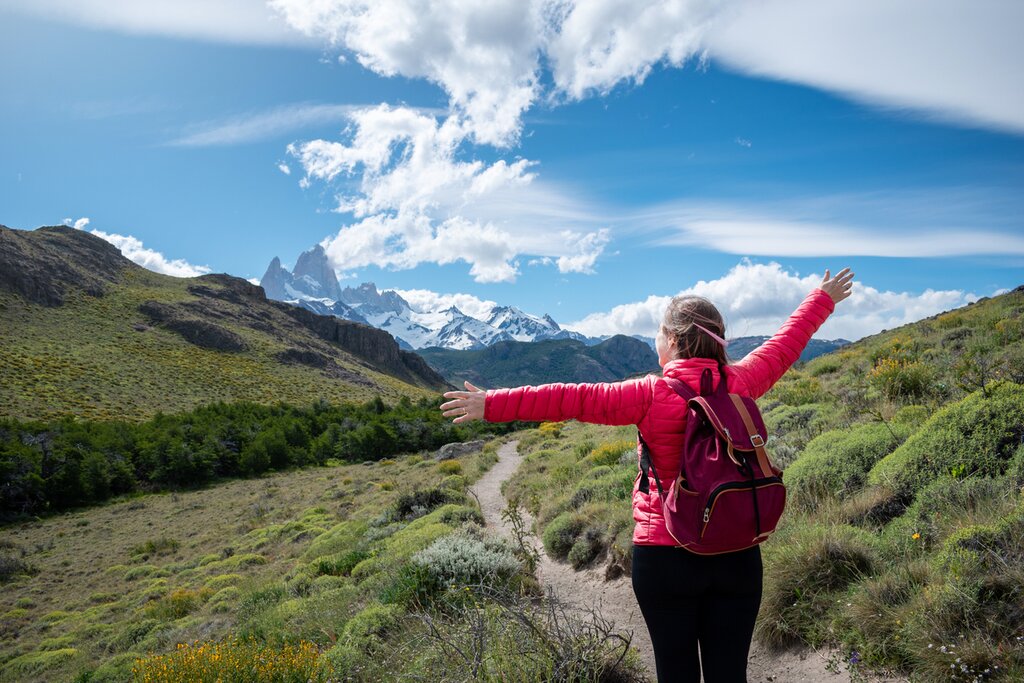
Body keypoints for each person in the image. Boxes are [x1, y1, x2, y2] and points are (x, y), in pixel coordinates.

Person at [440, 268, 855, 683]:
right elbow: (786, 343)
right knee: (729, 673)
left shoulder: (648, 394)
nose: (655, 339)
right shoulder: (742, 382)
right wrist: (823, 298)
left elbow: (570, 399)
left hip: (665, 553)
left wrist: (491, 404)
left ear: (673, 340)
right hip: (736, 549)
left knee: (676, 672)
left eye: (658, 331)